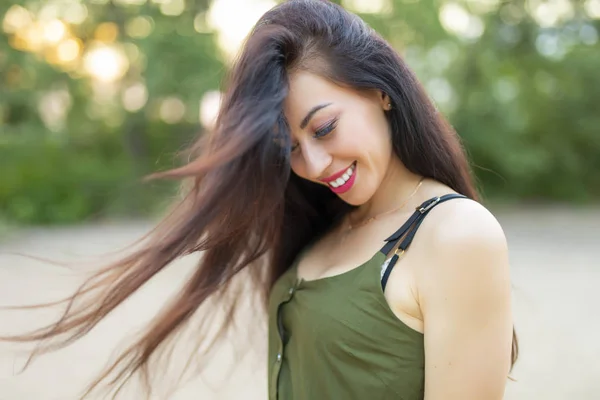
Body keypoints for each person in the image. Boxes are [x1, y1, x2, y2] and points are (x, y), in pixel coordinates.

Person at [4, 0, 517, 399]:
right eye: (291, 147)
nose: (314, 166)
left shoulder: (455, 235)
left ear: (381, 90)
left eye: (325, 127)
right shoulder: (330, 221)